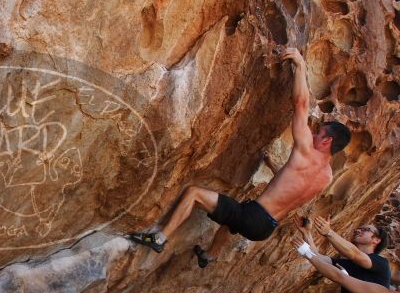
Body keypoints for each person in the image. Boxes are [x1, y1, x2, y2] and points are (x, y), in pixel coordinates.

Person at [127, 47, 351, 268]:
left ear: (327, 142)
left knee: (194, 193)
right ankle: (210, 255)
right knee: (232, 220)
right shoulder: (326, 177)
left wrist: (300, 65)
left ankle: (159, 238)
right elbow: (294, 184)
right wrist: (273, 164)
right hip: (265, 227)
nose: (313, 133)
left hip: (253, 216)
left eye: (319, 132)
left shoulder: (305, 150)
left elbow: (300, 105)